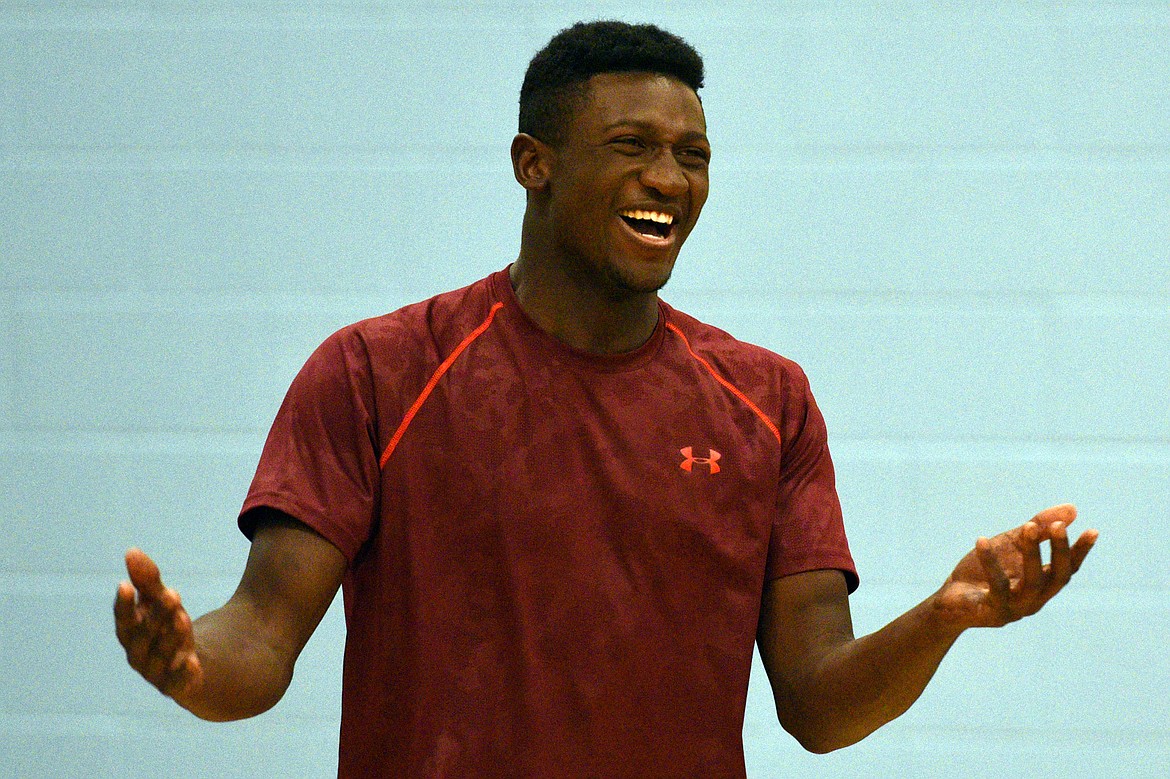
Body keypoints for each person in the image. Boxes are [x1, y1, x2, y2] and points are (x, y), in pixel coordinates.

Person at [114, 20, 1098, 777]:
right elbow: (260, 631)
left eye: (693, 154)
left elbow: (817, 701)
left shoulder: (768, 401)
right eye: (633, 144)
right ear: (532, 164)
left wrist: (945, 613)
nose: (668, 178)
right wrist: (188, 664)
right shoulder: (379, 372)